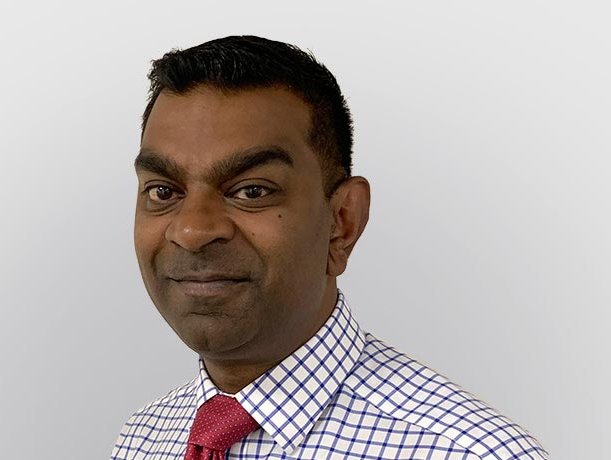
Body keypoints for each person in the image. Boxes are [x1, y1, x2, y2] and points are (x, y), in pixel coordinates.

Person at [111, 36, 546, 460]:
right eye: (163, 192)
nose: (192, 230)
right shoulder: (143, 439)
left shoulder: (467, 452)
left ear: (342, 223)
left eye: (252, 191)